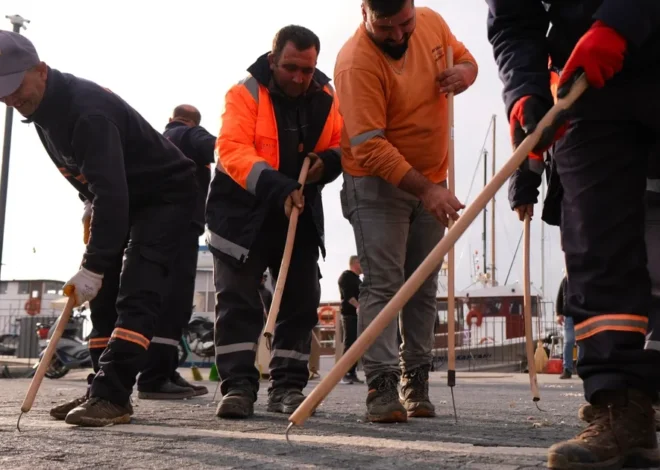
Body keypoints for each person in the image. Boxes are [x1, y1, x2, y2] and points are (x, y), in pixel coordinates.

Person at [486, 1, 660, 467]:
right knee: (596, 243)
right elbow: (512, 22)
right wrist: (524, 93)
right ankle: (620, 404)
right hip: (587, 83)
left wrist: (622, 21)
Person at [0, 31, 196, 426]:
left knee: (136, 289)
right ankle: (100, 388)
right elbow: (93, 183)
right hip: (121, 196)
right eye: (1, 92)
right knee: (102, 299)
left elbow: (114, 193)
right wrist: (88, 206)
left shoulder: (86, 111)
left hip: (166, 196)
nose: (10, 98)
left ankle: (114, 396)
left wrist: (94, 264)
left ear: (40, 71)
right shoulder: (40, 109)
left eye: (15, 86)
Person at [334, 0, 477, 423]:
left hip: (432, 179)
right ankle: (381, 385)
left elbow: (465, 57)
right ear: (364, 12)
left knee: (423, 284)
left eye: (405, 24)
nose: (398, 36)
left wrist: (466, 73)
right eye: (386, 29)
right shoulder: (355, 63)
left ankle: (416, 380)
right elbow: (370, 147)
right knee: (385, 283)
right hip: (376, 184)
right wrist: (428, 189)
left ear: (414, 7)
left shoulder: (432, 22)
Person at [206, 25, 343, 420]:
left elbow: (338, 144)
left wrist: (326, 165)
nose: (300, 78)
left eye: (307, 69)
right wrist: (277, 187)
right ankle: (238, 388)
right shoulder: (244, 93)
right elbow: (231, 150)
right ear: (273, 60)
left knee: (300, 301)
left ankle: (287, 387)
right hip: (241, 215)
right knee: (237, 302)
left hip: (297, 213)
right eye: (291, 68)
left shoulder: (326, 96)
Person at [136, 104, 215, 399]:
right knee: (175, 302)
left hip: (150, 228)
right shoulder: (189, 134)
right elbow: (214, 147)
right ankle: (155, 377)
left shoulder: (154, 140)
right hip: (180, 227)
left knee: (158, 300)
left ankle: (163, 371)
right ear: (193, 122)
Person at [338, 255, 363, 385]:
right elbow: (348, 295)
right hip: (349, 315)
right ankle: (344, 373)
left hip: (358, 316)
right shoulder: (346, 277)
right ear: (355, 263)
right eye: (361, 262)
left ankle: (352, 373)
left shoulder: (358, 280)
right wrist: (358, 306)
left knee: (357, 345)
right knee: (350, 343)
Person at [555, 275, 574, 379]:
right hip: (569, 315)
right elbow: (560, 297)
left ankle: (581, 368)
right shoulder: (565, 280)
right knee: (569, 341)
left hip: (582, 315)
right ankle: (567, 369)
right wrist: (559, 313)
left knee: (582, 342)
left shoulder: (583, 277)